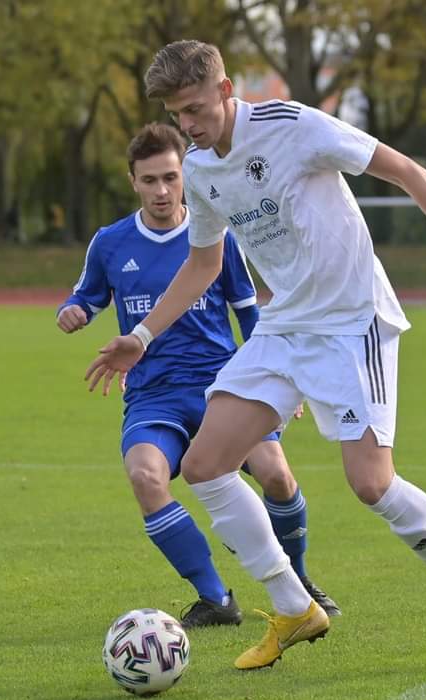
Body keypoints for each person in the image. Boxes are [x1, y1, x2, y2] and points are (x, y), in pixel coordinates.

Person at [86, 40, 426, 670]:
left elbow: (405, 170)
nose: (187, 125)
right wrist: (143, 335)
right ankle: (294, 607)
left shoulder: (293, 124)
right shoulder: (202, 168)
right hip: (286, 323)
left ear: (226, 90)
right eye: (177, 114)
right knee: (207, 464)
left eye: (194, 109)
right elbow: (204, 263)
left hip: (353, 323)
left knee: (371, 485)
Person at [58, 122, 340, 630]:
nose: (162, 191)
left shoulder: (218, 237)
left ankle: (299, 584)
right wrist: (73, 311)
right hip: (153, 396)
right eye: (150, 180)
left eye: (171, 177)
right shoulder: (110, 243)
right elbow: (87, 296)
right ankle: (215, 597)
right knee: (145, 476)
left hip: (225, 387)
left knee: (275, 473)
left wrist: (280, 375)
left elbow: (250, 314)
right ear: (133, 181)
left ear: (185, 175)